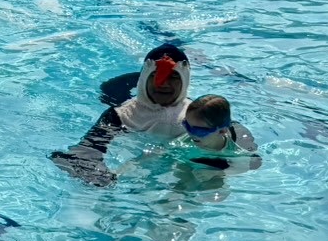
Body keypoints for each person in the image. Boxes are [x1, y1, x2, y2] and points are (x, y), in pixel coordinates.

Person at [52, 45, 191, 185]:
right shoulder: (121, 116)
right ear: (144, 78)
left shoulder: (195, 112)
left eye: (174, 76)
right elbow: (84, 153)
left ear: (185, 80)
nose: (164, 84)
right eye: (155, 76)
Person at [177, 95, 260, 171]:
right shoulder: (183, 140)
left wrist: (220, 173)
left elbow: (255, 164)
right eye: (186, 124)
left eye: (198, 131)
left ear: (221, 131)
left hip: (236, 132)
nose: (190, 133)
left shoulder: (239, 149)